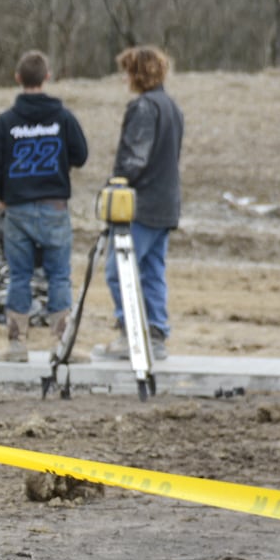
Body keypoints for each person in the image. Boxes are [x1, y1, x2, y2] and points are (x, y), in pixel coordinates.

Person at [0, 50, 89, 363]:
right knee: (59, 276)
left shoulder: (5, 123)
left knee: (19, 276)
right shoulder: (64, 118)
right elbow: (81, 155)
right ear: (48, 77)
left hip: (17, 209)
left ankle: (17, 345)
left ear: (18, 79)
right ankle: (61, 344)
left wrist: (1, 195)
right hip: (55, 208)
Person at [94, 45, 184, 362]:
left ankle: (129, 333)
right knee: (151, 270)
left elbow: (135, 158)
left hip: (140, 204)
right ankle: (156, 333)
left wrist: (115, 184)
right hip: (166, 202)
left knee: (118, 270)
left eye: (127, 72)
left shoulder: (144, 107)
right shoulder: (172, 107)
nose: (124, 79)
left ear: (137, 73)